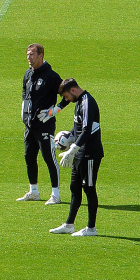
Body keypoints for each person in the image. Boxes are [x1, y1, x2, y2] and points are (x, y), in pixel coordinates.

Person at [51, 79, 103, 237]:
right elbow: (78, 127)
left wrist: (72, 149)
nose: (66, 99)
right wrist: (69, 137)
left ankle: (91, 228)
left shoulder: (87, 102)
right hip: (80, 152)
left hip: (90, 153)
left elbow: (87, 130)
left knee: (89, 188)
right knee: (74, 187)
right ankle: (69, 224)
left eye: (66, 96)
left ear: (73, 90)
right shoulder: (79, 102)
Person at [19, 43, 63, 204]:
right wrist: (24, 111)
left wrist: (54, 111)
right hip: (29, 124)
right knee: (29, 156)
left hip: (45, 125)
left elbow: (68, 95)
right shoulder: (28, 74)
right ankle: (34, 191)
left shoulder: (51, 76)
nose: (29, 57)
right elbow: (25, 94)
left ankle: (56, 195)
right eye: (27, 54)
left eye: (32, 54)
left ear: (41, 55)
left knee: (48, 157)